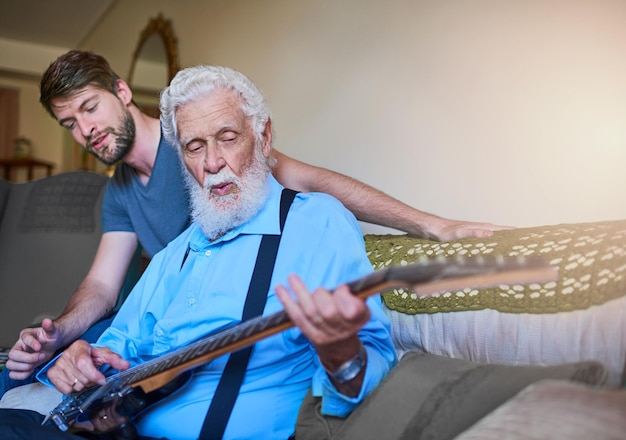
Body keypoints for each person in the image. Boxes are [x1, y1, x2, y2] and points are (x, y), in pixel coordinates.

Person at [2, 50, 505, 395]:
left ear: (122, 91)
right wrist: (60, 332)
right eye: (70, 124)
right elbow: (102, 284)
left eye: (90, 108)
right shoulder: (119, 191)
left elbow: (314, 184)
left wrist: (431, 225)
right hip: (164, 325)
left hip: (234, 323)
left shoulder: (204, 142)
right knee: (23, 374)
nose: (85, 130)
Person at [0, 64, 397, 439]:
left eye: (227, 138)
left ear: (263, 137)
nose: (212, 163)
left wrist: (341, 352)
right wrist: (79, 357)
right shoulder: (175, 254)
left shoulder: (315, 223)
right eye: (193, 147)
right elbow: (116, 341)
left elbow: (375, 360)